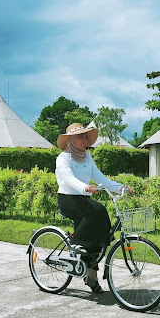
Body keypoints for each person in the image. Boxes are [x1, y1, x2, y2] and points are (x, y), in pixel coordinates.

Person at [55, 123, 126, 294]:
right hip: (68, 198)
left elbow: (101, 178)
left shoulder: (87, 158)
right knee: (98, 211)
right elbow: (69, 178)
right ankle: (75, 242)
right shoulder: (63, 158)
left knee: (95, 238)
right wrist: (85, 188)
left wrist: (120, 187)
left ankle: (91, 278)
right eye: (80, 136)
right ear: (71, 139)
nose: (85, 140)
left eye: (86, 136)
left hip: (82, 199)